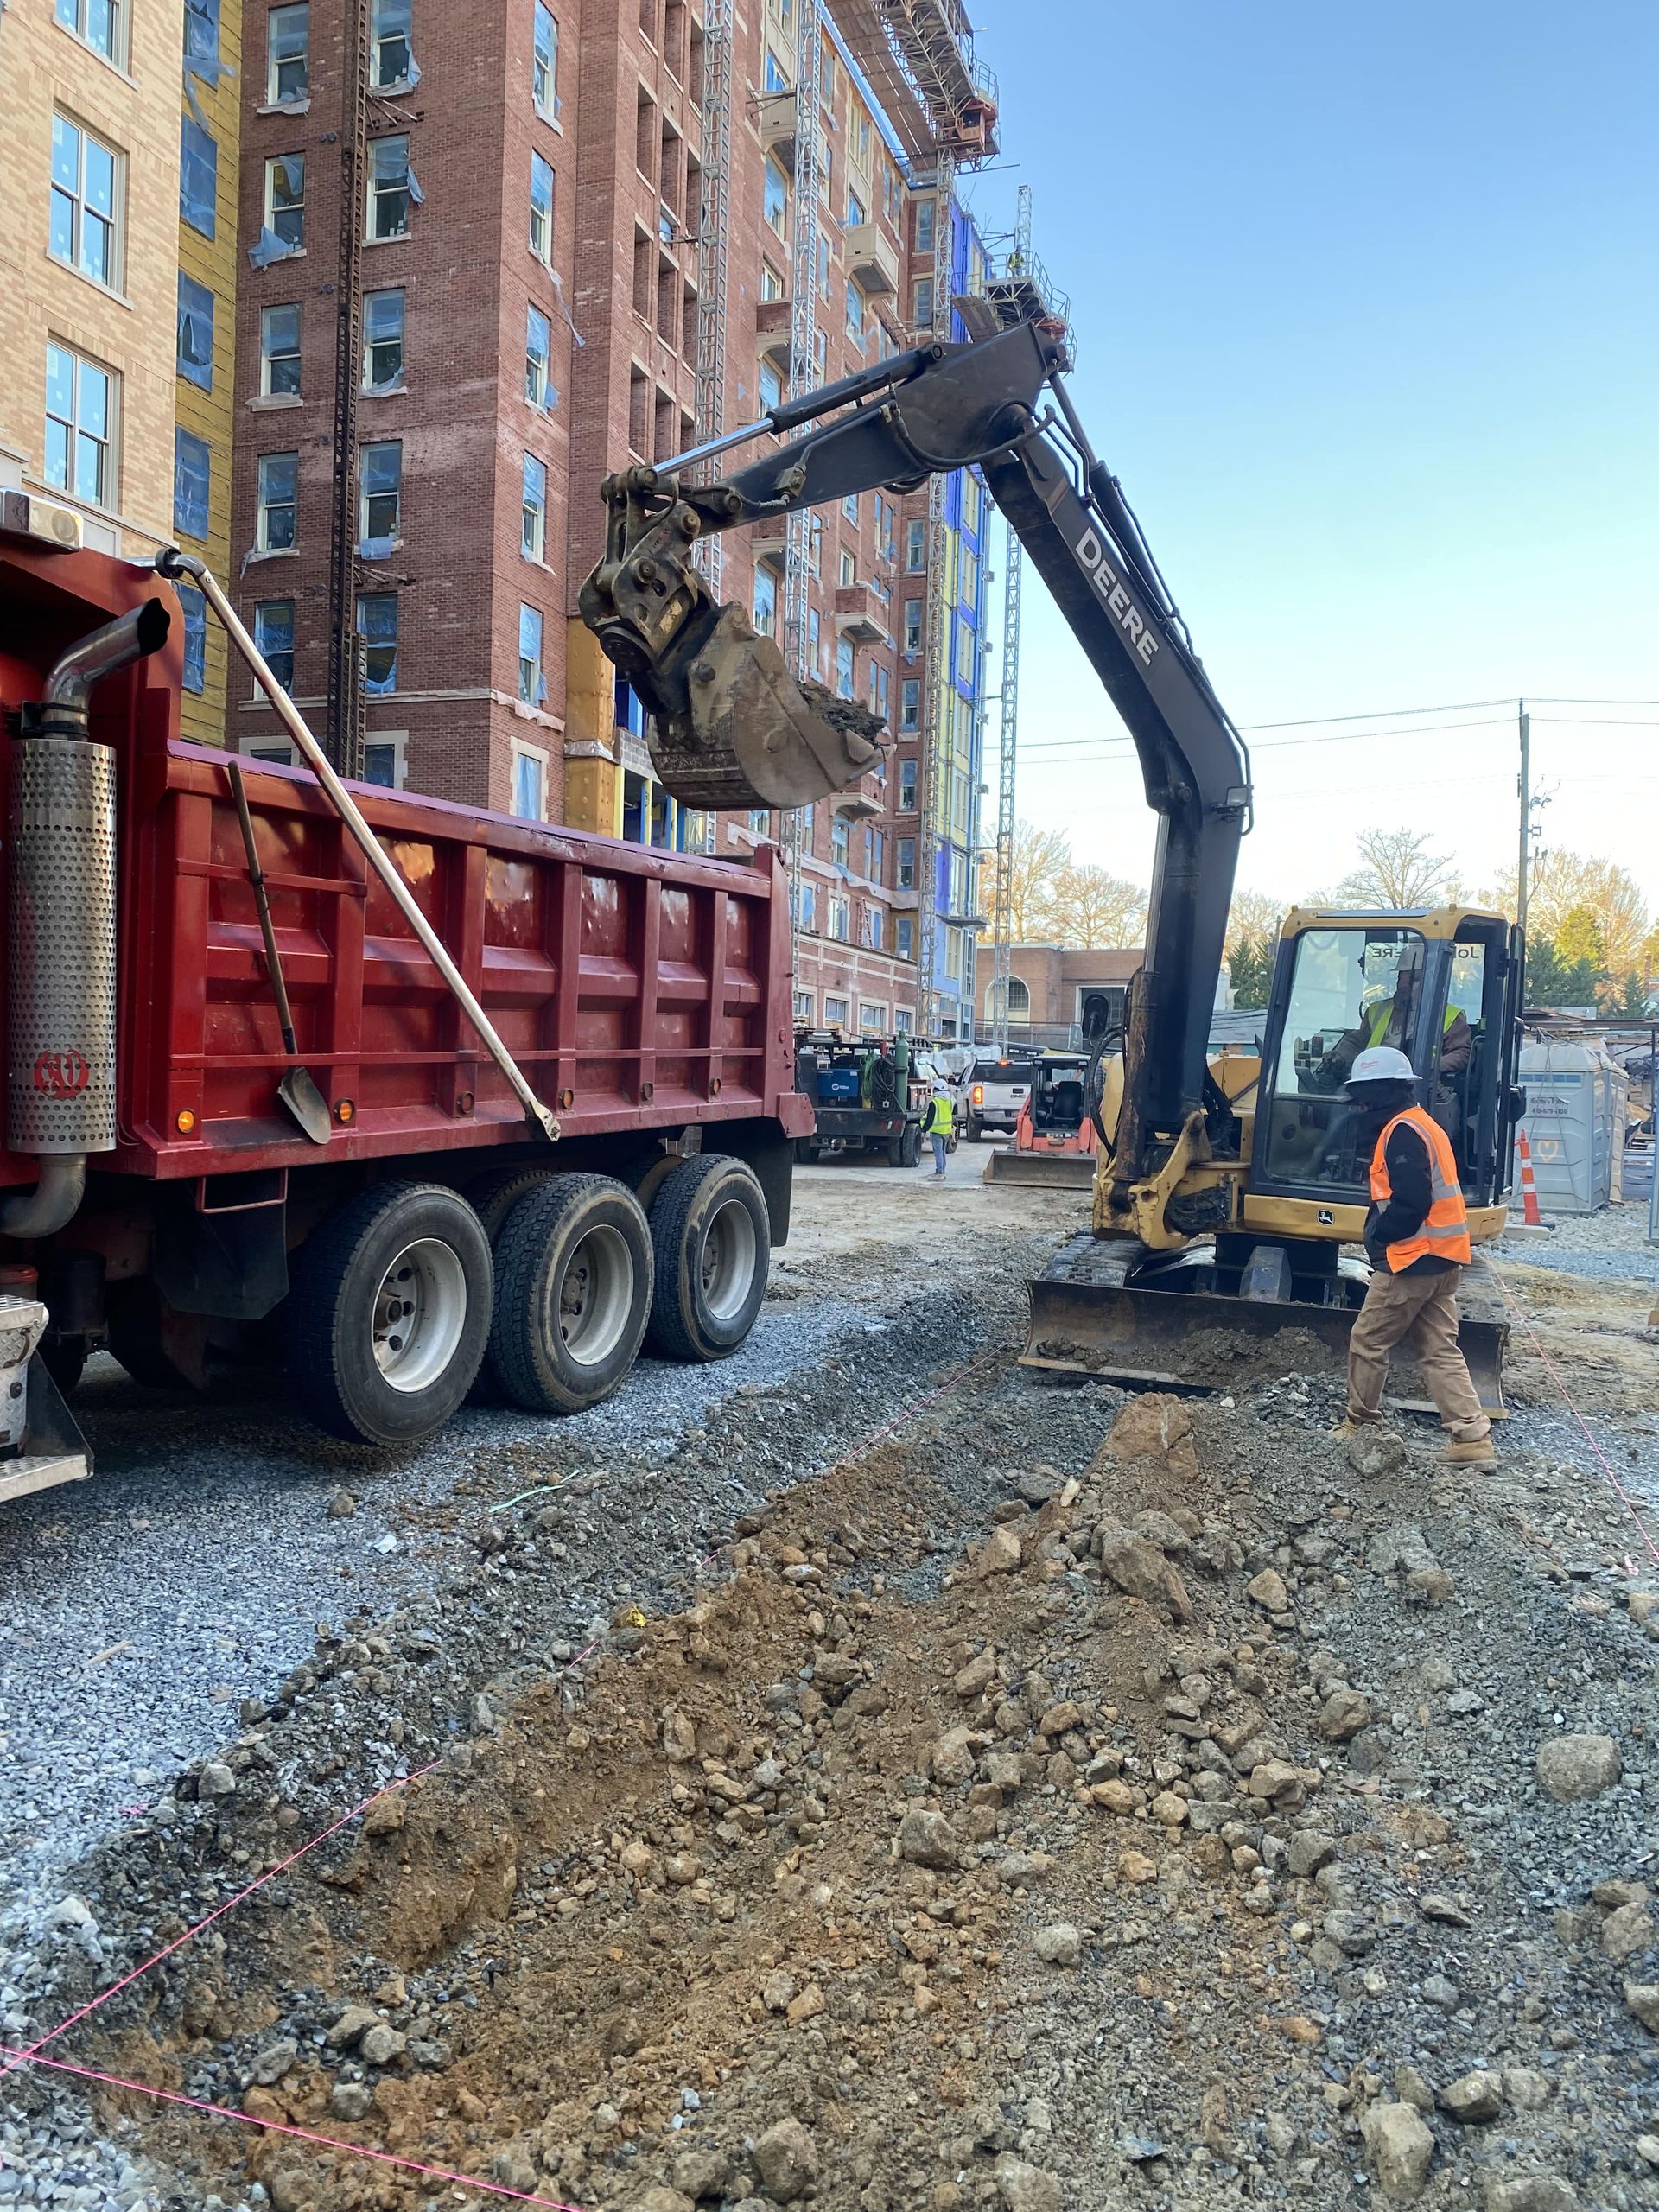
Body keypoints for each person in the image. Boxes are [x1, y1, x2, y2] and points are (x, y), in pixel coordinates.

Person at [1337, 1045, 1494, 1464]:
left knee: (1368, 1341)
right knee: (1440, 1350)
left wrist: (1382, 1237)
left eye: (1367, 1094)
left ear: (1384, 1091)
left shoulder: (1402, 1131)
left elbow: (1410, 1201)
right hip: (1444, 1259)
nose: (1362, 1104)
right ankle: (1472, 1438)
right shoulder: (1425, 1124)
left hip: (1412, 1260)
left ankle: (1359, 1423)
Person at [920, 1085, 954, 1178]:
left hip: (937, 1131)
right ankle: (942, 1169)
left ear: (936, 1090)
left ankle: (939, 1171)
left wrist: (924, 1129)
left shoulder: (934, 1102)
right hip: (946, 1131)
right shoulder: (949, 1101)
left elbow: (930, 1119)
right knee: (942, 1151)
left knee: (938, 1152)